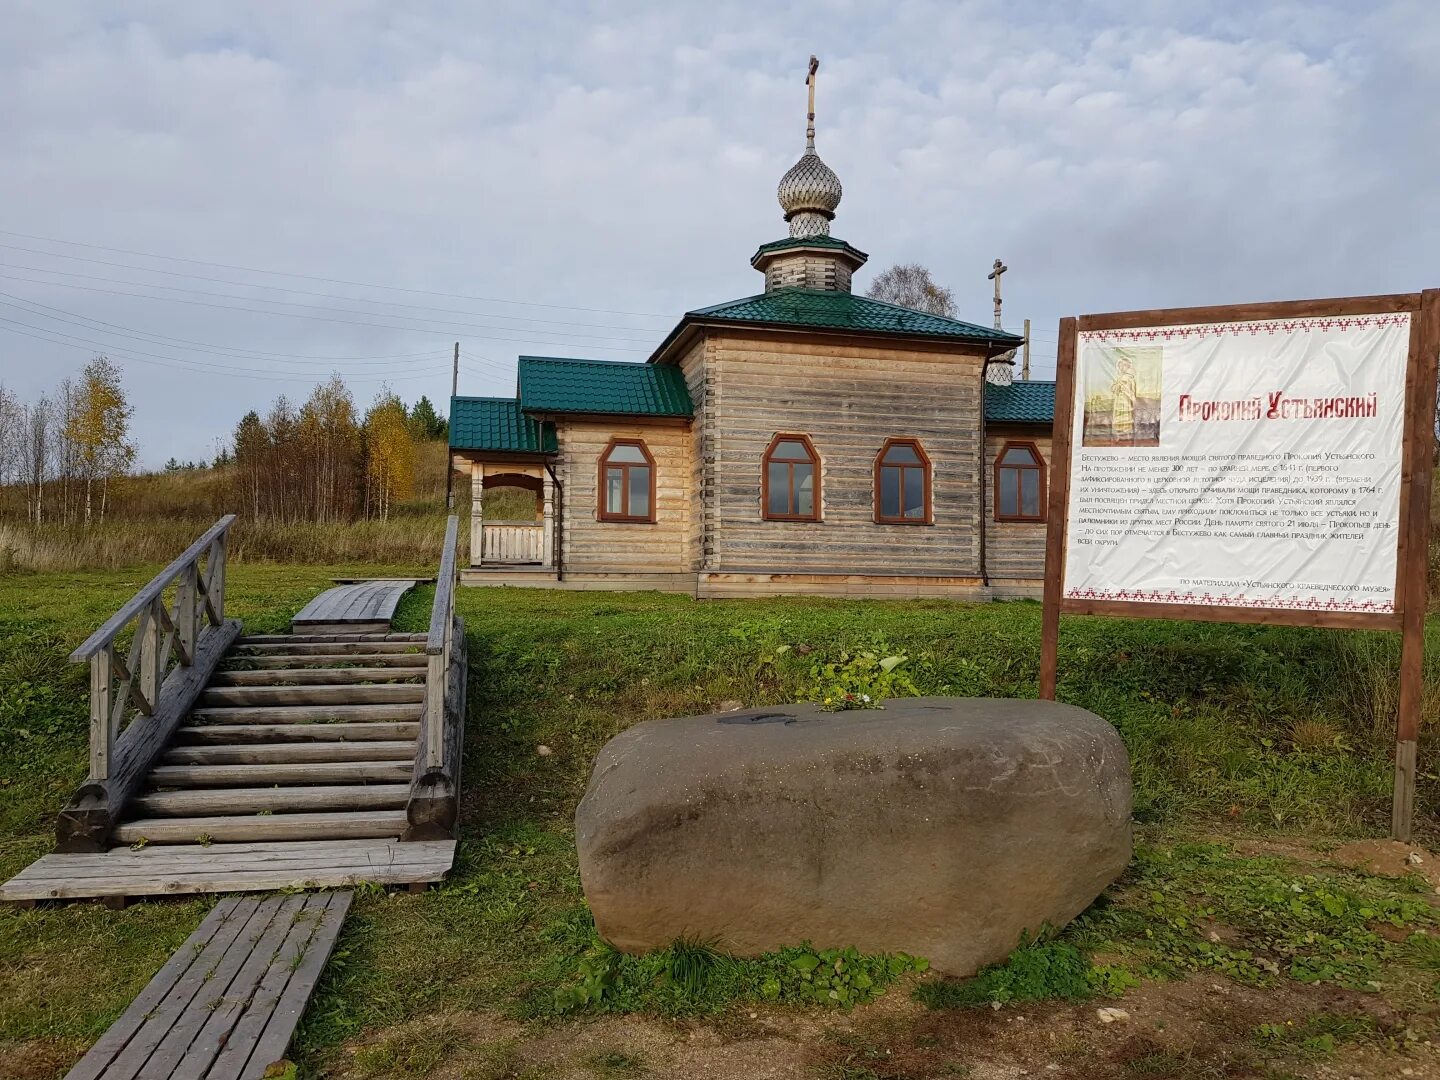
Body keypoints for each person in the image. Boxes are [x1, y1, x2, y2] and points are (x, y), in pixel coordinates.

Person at [1110, 356, 1137, 442]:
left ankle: (1128, 435)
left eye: (1124, 365)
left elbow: (1132, 390)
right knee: (1118, 418)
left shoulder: (1130, 378)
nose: (1122, 367)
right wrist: (1118, 386)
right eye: (1120, 365)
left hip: (1126, 402)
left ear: (1128, 367)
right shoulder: (1119, 378)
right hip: (1119, 402)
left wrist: (1131, 396)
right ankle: (1117, 435)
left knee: (1127, 418)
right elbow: (1113, 388)